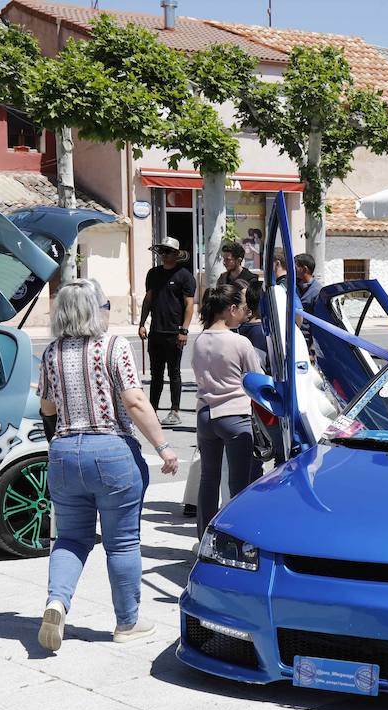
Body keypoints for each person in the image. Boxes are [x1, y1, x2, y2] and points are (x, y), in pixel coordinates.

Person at [37, 281, 180, 652]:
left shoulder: (51, 352)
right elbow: (134, 401)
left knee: (69, 539)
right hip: (111, 451)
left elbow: (48, 408)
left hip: (65, 453)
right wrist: (163, 446)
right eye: (104, 304)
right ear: (93, 309)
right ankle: (127, 622)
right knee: (122, 543)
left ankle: (57, 602)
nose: (107, 310)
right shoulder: (114, 346)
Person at [190, 284, 264, 534]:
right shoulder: (240, 342)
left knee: (208, 480)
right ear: (231, 309)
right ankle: (236, 538)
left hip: (205, 414)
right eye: (242, 308)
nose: (245, 312)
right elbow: (258, 378)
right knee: (239, 485)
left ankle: (204, 538)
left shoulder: (199, 340)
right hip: (234, 415)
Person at [139, 237, 195, 427]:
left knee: (174, 373)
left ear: (176, 254)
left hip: (174, 332)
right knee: (156, 374)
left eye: (168, 251)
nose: (164, 254)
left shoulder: (185, 276)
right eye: (162, 251)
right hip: (156, 331)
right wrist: (141, 323)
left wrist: (184, 330)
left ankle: (175, 410)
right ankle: (152, 410)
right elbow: (148, 300)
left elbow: (189, 305)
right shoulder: (153, 274)